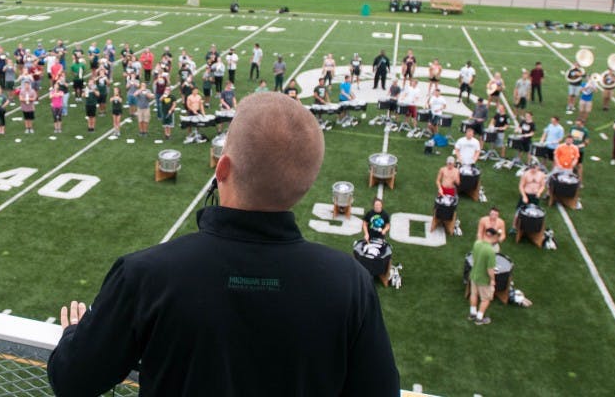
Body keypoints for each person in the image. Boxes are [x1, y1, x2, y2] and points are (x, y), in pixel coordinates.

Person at [47, 93, 398, 395]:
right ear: (305, 184)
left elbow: (72, 379)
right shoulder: (350, 284)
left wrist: (75, 337)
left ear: (223, 167)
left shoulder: (145, 274)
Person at [468, 228, 500, 326]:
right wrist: (492, 280)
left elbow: (474, 257)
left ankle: (472, 314)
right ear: (494, 237)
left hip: (474, 275)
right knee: (485, 299)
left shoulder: (477, 243)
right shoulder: (490, 251)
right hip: (484, 279)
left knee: (473, 294)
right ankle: (479, 318)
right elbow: (490, 269)